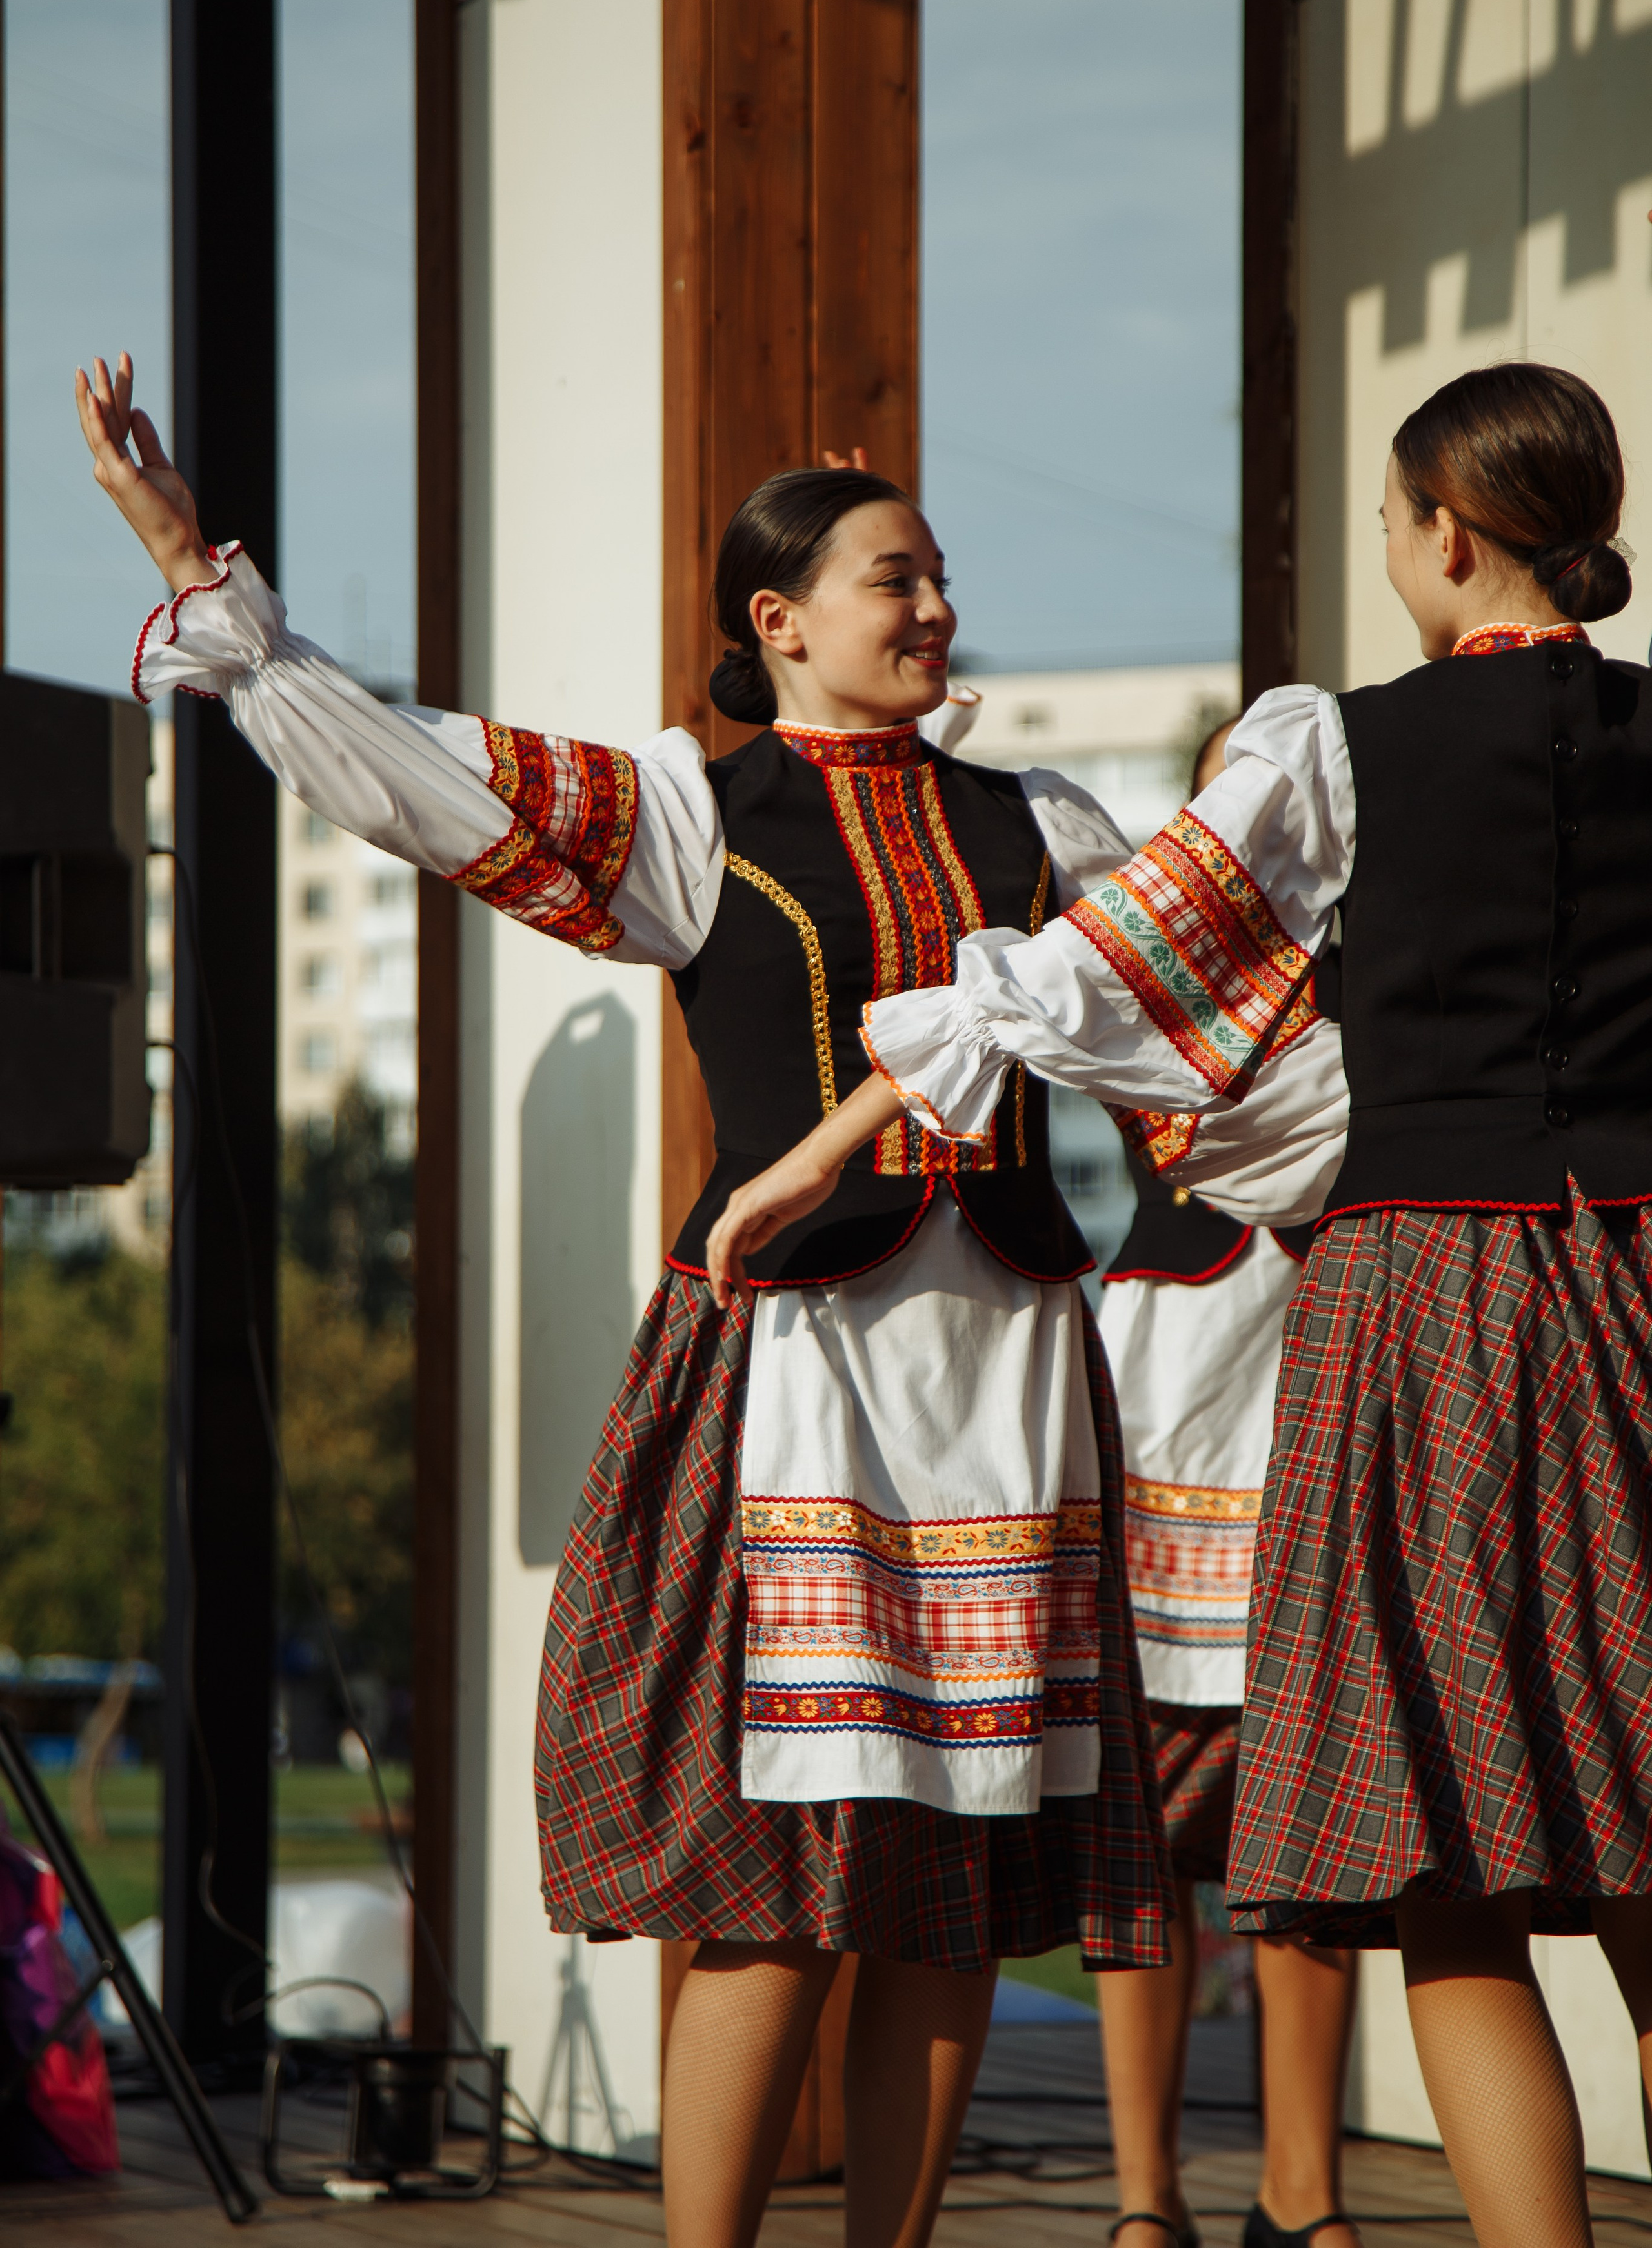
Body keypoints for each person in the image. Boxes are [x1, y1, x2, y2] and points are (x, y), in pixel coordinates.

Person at [77, 354, 1319, 2248]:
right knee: (778, 1881)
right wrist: (214, 594)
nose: (935, 609)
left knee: (961, 1880)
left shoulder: (1040, 822)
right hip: (805, 1375)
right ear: (781, 619)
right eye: (894, 578)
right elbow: (433, 782)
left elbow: (1216, 1016)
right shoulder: (689, 809)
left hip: (1005, 1369)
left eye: (938, 577)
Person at [708, 362, 1652, 2248]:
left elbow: (1102, 970)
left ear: (1449, 535)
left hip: (1434, 1297)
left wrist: (831, 1142)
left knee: (1452, 1872)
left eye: (1392, 526)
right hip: (1636, 1274)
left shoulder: (1336, 744)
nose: (1394, 551)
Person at [1096, 716, 1357, 2248]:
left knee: (1303, 1834)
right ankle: (1143, 2201)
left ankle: (1300, 2195)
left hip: (1323, 1379)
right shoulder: (1146, 961)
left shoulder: (1383, 961)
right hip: (1174, 1383)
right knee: (1141, 1834)